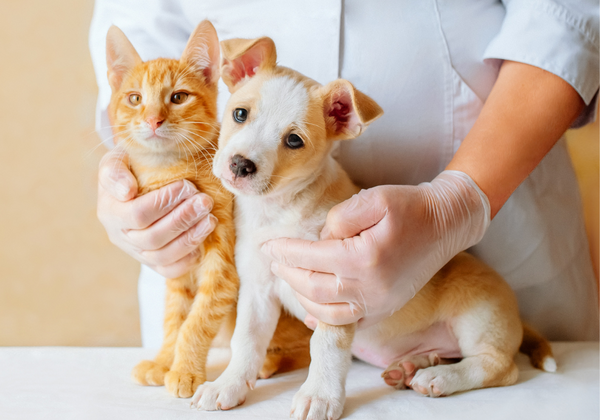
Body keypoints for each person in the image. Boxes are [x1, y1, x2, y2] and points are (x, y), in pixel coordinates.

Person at [90, 0, 599, 348]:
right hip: (225, 264)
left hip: (499, 211)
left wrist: (460, 202)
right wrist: (133, 173)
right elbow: (137, 40)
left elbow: (568, 15)